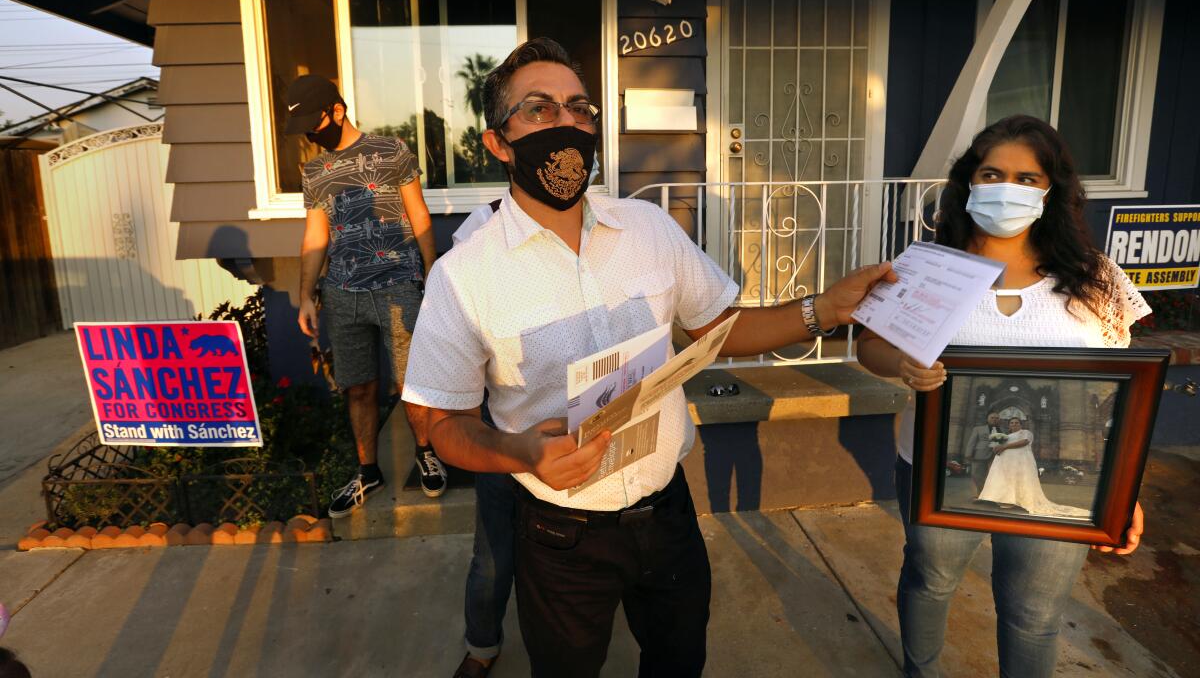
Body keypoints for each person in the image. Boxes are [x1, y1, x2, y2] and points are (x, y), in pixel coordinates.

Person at [402, 37, 898, 678]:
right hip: (560, 535)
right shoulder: (463, 274)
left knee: (678, 661)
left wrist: (824, 310)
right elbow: (440, 424)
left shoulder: (650, 230)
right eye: (540, 109)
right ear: (498, 142)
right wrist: (521, 452)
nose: (567, 123)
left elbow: (718, 328)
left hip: (666, 513)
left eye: (579, 108)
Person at [857, 114, 1150, 677]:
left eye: (1027, 178)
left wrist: (1120, 485)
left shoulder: (1098, 279)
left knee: (1034, 615)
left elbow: (1118, 396)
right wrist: (903, 364)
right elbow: (869, 347)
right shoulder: (926, 268)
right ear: (970, 182)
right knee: (930, 579)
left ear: (1052, 190)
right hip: (936, 469)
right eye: (992, 174)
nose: (1006, 189)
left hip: (1063, 475)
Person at [450, 145, 601, 678]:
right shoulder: (479, 236)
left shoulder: (600, 231)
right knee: (493, 554)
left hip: (575, 424)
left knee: (572, 558)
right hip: (507, 430)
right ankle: (482, 645)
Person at [288, 74, 447, 516]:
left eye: (313, 122)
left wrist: (432, 270)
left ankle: (425, 452)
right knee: (359, 388)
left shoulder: (391, 151)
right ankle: (368, 471)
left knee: (410, 383)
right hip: (342, 294)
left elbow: (417, 212)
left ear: (337, 110)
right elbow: (315, 236)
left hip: (399, 283)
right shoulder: (314, 171)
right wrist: (306, 295)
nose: (309, 133)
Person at [978, 418, 1089, 518]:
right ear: (1009, 425)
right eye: (1012, 423)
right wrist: (996, 448)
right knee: (1007, 479)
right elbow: (997, 448)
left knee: (1020, 479)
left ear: (1021, 424)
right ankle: (1005, 499)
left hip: (1020, 461)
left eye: (1017, 423)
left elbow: (1024, 442)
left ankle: (1018, 500)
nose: (1014, 424)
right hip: (1006, 462)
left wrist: (1005, 446)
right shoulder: (1005, 436)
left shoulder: (1026, 433)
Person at [963, 412, 1003, 493]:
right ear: (987, 419)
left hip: (997, 455)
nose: (994, 419)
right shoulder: (978, 429)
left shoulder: (1003, 430)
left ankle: (990, 494)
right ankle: (981, 492)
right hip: (979, 454)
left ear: (999, 420)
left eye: (996, 418)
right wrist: (968, 453)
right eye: (992, 417)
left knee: (993, 475)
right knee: (976, 474)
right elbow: (972, 441)